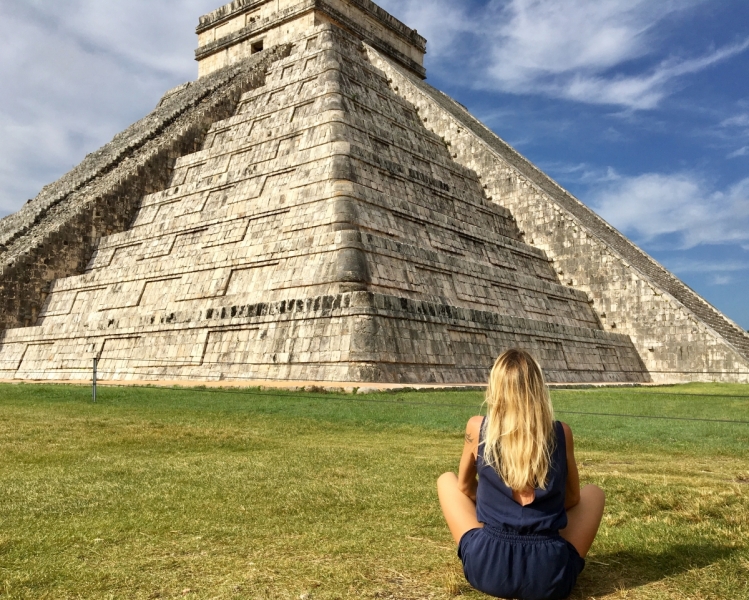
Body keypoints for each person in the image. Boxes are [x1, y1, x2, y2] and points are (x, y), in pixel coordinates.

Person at [437, 349, 605, 600]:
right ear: (538, 389)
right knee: (594, 493)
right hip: (549, 577)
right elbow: (571, 500)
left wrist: (494, 509)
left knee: (446, 480)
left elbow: (464, 487)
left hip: (487, 568)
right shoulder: (561, 433)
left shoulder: (478, 428)